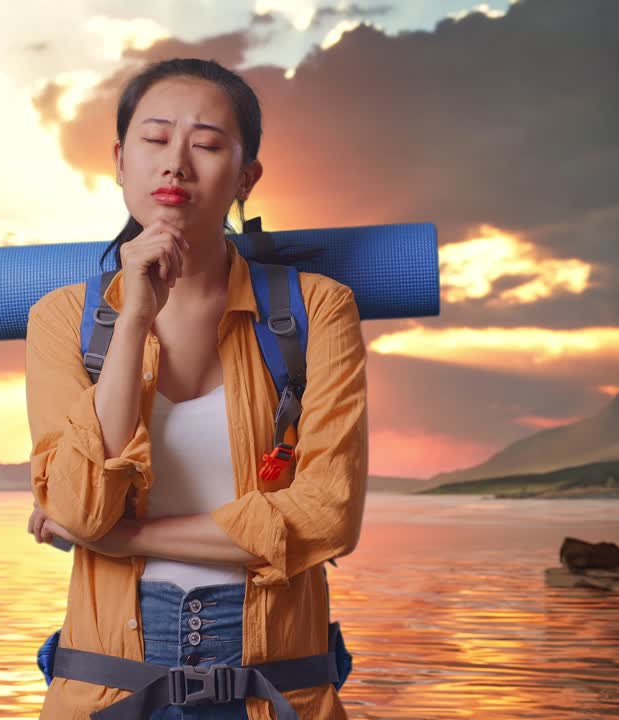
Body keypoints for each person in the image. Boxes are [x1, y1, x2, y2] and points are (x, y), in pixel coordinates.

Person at [24, 57, 368, 720]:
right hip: (105, 691)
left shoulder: (319, 309)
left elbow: (328, 518)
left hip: (277, 691)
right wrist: (133, 320)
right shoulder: (61, 319)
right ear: (119, 161)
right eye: (155, 140)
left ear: (245, 177)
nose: (176, 164)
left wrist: (125, 538)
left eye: (207, 145)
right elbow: (80, 508)